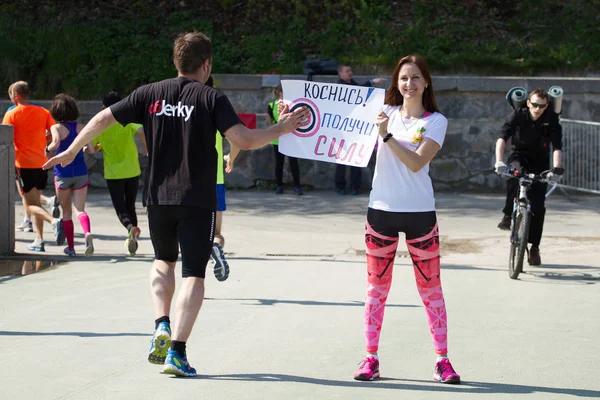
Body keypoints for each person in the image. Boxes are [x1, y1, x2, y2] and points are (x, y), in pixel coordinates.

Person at [43, 31, 308, 378]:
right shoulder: (211, 98)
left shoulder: (149, 94)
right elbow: (242, 139)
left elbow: (103, 118)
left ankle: (161, 324)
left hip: (157, 197)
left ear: (176, 62)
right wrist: (281, 128)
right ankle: (178, 353)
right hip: (197, 199)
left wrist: (73, 149)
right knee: (194, 275)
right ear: (207, 64)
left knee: (162, 262)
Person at [353, 55, 460, 384]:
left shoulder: (435, 121)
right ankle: (370, 358)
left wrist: (386, 137)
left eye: (415, 78)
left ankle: (442, 361)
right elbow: (334, 127)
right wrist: (291, 120)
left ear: (426, 82)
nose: (409, 84)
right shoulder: (382, 115)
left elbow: (416, 163)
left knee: (431, 290)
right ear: (395, 83)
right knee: (376, 290)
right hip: (380, 211)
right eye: (403, 78)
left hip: (420, 214)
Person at [494, 89, 563, 266]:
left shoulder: (550, 119)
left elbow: (557, 146)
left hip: (540, 162)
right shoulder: (518, 114)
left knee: (539, 208)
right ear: (528, 103)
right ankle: (508, 215)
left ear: (547, 106)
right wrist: (499, 161)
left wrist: (556, 169)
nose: (537, 108)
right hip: (519, 156)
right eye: (534, 104)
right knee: (512, 175)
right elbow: (502, 137)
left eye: (542, 105)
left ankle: (534, 248)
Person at [2, 81, 64, 252]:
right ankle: (39, 240)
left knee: (30, 205)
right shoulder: (43, 112)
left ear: (16, 95)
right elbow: (53, 133)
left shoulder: (12, 114)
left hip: (24, 164)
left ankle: (54, 221)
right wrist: (41, 142)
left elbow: (5, 138)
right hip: (42, 163)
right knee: (36, 202)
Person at [93, 92, 148, 256]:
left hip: (113, 173)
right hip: (132, 169)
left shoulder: (101, 123)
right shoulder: (126, 119)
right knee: (130, 205)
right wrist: (146, 147)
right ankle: (132, 238)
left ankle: (131, 228)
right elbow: (142, 131)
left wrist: (92, 148)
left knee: (120, 207)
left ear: (104, 107)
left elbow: (93, 145)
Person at [47, 94, 95, 257]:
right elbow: (92, 150)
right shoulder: (82, 127)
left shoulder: (56, 128)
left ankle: (72, 248)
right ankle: (87, 232)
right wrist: (83, 149)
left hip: (62, 174)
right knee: (80, 209)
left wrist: (47, 149)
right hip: (80, 172)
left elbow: (55, 144)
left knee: (66, 213)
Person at [206, 75, 238, 281]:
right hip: (215, 179)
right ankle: (216, 245)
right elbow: (237, 141)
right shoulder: (217, 107)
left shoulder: (183, 108)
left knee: (193, 236)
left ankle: (194, 281)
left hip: (187, 181)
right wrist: (231, 159)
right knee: (216, 233)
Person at [335, 64, 386, 195]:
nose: (350, 73)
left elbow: (360, 92)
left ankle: (354, 186)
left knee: (354, 158)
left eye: (351, 70)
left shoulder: (354, 84)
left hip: (355, 128)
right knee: (341, 160)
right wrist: (370, 82)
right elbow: (354, 92)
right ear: (340, 73)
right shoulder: (338, 87)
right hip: (342, 129)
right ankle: (340, 186)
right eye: (347, 71)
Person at [267, 84, 303, 195]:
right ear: (279, 92)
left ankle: (297, 186)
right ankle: (279, 186)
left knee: (293, 162)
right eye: (283, 91)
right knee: (279, 163)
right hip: (278, 138)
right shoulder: (272, 105)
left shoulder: (293, 104)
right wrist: (267, 118)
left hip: (291, 137)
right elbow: (269, 122)